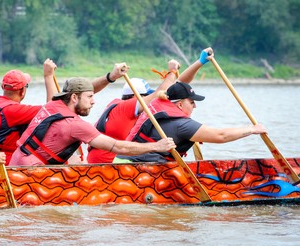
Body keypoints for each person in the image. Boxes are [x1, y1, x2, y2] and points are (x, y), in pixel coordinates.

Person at [113, 50, 267, 163]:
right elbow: (221, 136)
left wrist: (200, 62)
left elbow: (179, 84)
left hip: (121, 162)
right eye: (192, 102)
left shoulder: (160, 101)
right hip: (133, 168)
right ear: (179, 104)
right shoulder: (182, 125)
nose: (195, 107)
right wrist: (252, 129)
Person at [9, 76, 176, 166]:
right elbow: (118, 147)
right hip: (31, 173)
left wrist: (110, 77)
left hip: (15, 163)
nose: (93, 101)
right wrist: (157, 146)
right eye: (89, 97)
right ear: (74, 97)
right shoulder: (76, 125)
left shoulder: (52, 104)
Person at [87, 59, 181, 163]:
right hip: (108, 163)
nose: (150, 101)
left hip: (101, 159)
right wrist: (172, 72)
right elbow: (159, 95)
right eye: (147, 96)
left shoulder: (117, 104)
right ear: (137, 96)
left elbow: (170, 93)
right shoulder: (127, 106)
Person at [0, 59, 57, 166]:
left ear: (3, 87)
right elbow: (54, 109)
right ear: (22, 91)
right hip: (3, 168)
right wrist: (48, 76)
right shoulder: (13, 111)